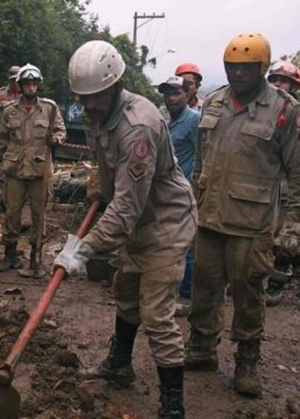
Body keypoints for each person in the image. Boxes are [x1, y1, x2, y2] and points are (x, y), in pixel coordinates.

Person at [55, 40, 197, 419]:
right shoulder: (94, 113)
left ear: (116, 86)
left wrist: (82, 250)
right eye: (82, 98)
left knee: (156, 312)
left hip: (166, 220)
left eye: (96, 97)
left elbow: (126, 208)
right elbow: (105, 169)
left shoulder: (139, 125)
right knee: (126, 291)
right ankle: (119, 363)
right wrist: (96, 188)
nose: (88, 107)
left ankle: (173, 402)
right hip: (133, 218)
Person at [186, 33, 300, 398]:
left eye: (246, 68)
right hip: (210, 218)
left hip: (252, 226)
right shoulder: (213, 102)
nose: (237, 74)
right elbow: (201, 156)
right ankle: (202, 349)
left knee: (248, 294)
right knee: (204, 289)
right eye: (231, 67)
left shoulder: (286, 112)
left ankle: (246, 362)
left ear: (261, 68)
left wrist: (293, 226)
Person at [0, 63, 65, 276]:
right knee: (11, 213)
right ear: (21, 85)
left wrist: (56, 138)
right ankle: (10, 255)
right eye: (27, 84)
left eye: (34, 84)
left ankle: (36, 257)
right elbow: (1, 141)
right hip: (14, 169)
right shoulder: (9, 111)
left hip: (39, 171)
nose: (31, 88)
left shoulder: (50, 109)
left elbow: (61, 130)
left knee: (38, 215)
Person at [264, 60, 300, 306]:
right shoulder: (259, 111)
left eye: (283, 81)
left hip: (291, 184)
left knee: (288, 236)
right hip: (262, 182)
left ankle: (275, 284)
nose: (277, 85)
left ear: (294, 86)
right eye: (273, 79)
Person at [157, 76, 200, 317]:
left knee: (188, 246)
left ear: (186, 95)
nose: (171, 98)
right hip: (165, 193)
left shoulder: (194, 121)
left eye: (176, 93)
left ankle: (186, 296)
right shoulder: (163, 121)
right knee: (166, 243)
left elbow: (203, 155)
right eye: (167, 94)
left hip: (186, 193)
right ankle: (167, 291)